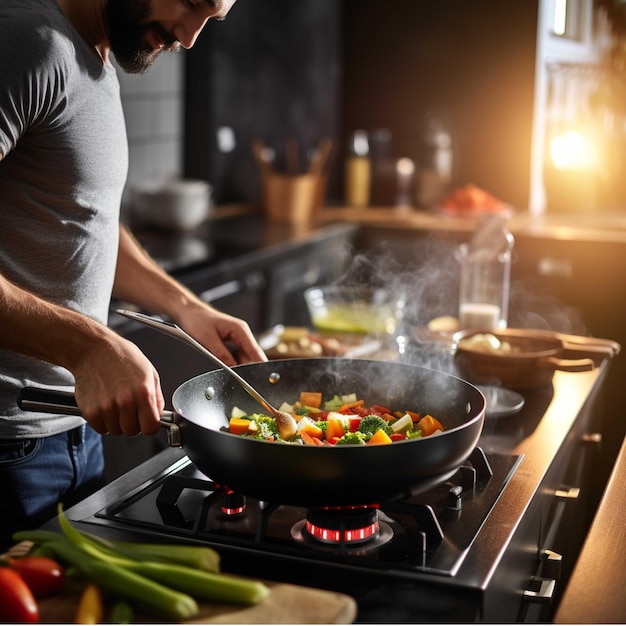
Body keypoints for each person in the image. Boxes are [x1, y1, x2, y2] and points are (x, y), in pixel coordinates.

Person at [0, 0, 266, 550]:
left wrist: (185, 307)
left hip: (72, 434)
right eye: (193, 4)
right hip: (9, 443)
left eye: (211, 20)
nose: (191, 38)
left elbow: (83, 216)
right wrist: (88, 345)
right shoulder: (27, 43)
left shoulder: (95, 57)